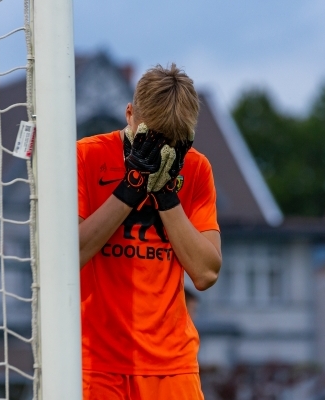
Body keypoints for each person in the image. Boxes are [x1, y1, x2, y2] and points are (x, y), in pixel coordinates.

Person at [77, 64, 222, 400]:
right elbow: (70, 254)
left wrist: (166, 195)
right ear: (129, 115)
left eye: (172, 141)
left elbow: (205, 272)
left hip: (173, 363)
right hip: (97, 361)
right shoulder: (86, 156)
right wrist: (130, 189)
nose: (162, 151)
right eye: (153, 138)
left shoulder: (196, 167)